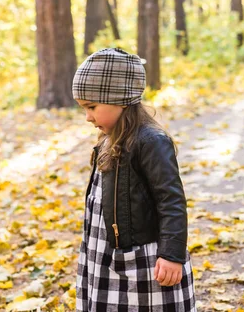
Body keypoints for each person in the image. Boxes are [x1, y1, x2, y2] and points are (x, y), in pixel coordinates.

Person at [73, 48, 196, 311]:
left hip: (145, 260)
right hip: (107, 252)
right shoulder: (109, 139)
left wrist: (172, 254)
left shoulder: (151, 141)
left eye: (92, 107)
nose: (88, 117)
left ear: (119, 99)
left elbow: (171, 200)